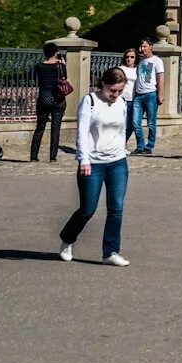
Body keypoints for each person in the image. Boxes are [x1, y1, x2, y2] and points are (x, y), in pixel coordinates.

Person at [59, 66, 132, 266]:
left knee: (116, 208)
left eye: (119, 91)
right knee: (87, 209)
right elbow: (82, 132)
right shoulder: (90, 101)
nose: (115, 95)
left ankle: (110, 252)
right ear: (103, 84)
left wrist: (122, 150)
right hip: (93, 163)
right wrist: (84, 159)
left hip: (117, 162)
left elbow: (122, 130)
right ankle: (67, 238)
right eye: (112, 90)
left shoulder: (122, 103)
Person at [30, 43, 70, 162]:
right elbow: (64, 78)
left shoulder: (39, 66)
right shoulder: (60, 66)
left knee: (40, 127)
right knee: (55, 128)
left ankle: (33, 156)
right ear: (56, 52)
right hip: (58, 98)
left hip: (44, 97)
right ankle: (53, 157)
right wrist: (62, 63)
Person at [130, 39, 164, 154]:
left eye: (144, 46)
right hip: (138, 95)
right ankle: (140, 146)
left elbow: (160, 78)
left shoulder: (157, 61)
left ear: (151, 46)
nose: (142, 49)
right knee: (135, 122)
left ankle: (149, 146)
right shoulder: (141, 61)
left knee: (151, 123)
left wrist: (160, 94)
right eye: (141, 46)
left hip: (150, 94)